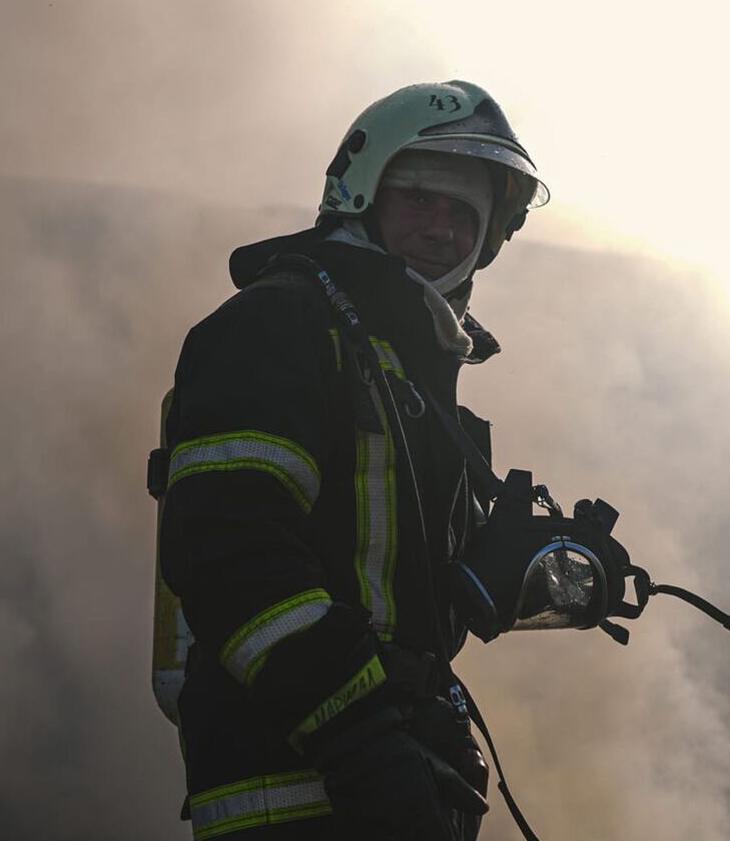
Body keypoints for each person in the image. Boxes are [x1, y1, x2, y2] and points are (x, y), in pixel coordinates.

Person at [157, 81, 546, 840]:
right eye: (419, 200)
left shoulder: (401, 367)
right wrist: (360, 739)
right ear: (361, 198)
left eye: (465, 214)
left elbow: (382, 593)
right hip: (298, 787)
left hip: (397, 772)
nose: (442, 228)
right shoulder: (278, 327)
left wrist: (490, 579)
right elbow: (229, 557)